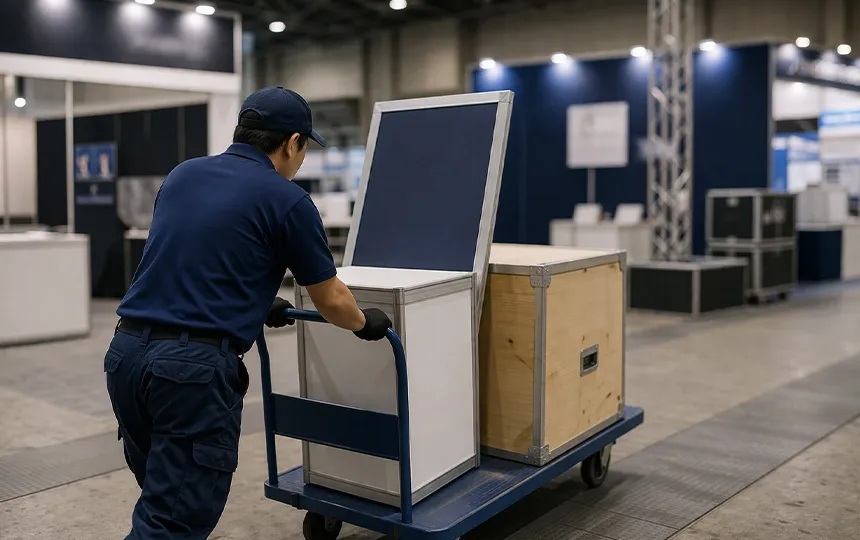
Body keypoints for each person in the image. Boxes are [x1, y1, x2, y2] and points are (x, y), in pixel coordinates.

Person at [105, 86, 392, 539]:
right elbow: (331, 299)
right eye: (302, 149)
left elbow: (198, 256)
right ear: (292, 142)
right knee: (171, 520)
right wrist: (366, 323)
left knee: (162, 494)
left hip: (126, 356)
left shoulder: (183, 175)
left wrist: (255, 304)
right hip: (189, 374)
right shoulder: (288, 200)